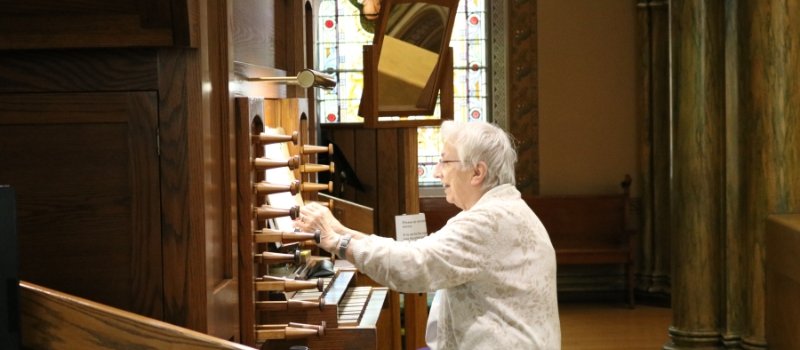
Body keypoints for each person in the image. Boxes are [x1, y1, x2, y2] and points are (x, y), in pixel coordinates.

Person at [294, 120, 561, 349]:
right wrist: (342, 231)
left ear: (477, 172)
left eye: (444, 161)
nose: (436, 171)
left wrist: (339, 243)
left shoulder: (487, 222)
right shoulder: (505, 210)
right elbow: (418, 250)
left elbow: (412, 265)